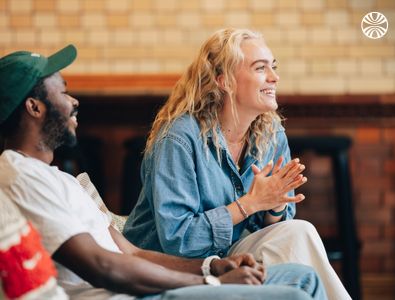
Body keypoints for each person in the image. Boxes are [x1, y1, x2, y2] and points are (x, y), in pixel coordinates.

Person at [0, 45, 328, 300]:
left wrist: (213, 265)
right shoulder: (20, 175)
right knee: (295, 294)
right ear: (34, 106)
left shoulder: (60, 179)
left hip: (157, 277)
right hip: (129, 292)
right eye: (63, 91)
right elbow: (105, 266)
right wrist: (209, 281)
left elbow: (132, 252)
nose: (74, 102)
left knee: (305, 278)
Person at [123, 28, 351, 300]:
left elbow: (275, 230)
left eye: (273, 67)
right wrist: (251, 203)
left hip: (232, 256)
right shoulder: (179, 138)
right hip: (170, 267)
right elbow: (177, 241)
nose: (274, 77)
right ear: (224, 81)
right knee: (298, 235)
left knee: (297, 231)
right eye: (260, 68)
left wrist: (275, 205)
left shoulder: (271, 133)